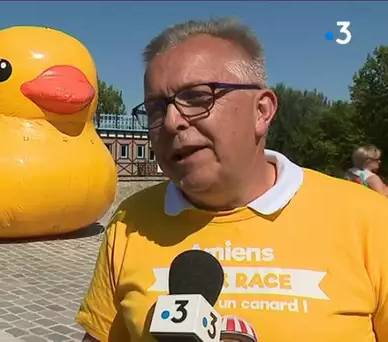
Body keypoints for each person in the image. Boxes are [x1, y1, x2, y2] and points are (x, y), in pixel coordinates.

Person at [76, 18, 388, 342]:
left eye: (197, 98)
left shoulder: (370, 218)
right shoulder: (131, 220)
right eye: (156, 109)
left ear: (261, 111)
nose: (171, 122)